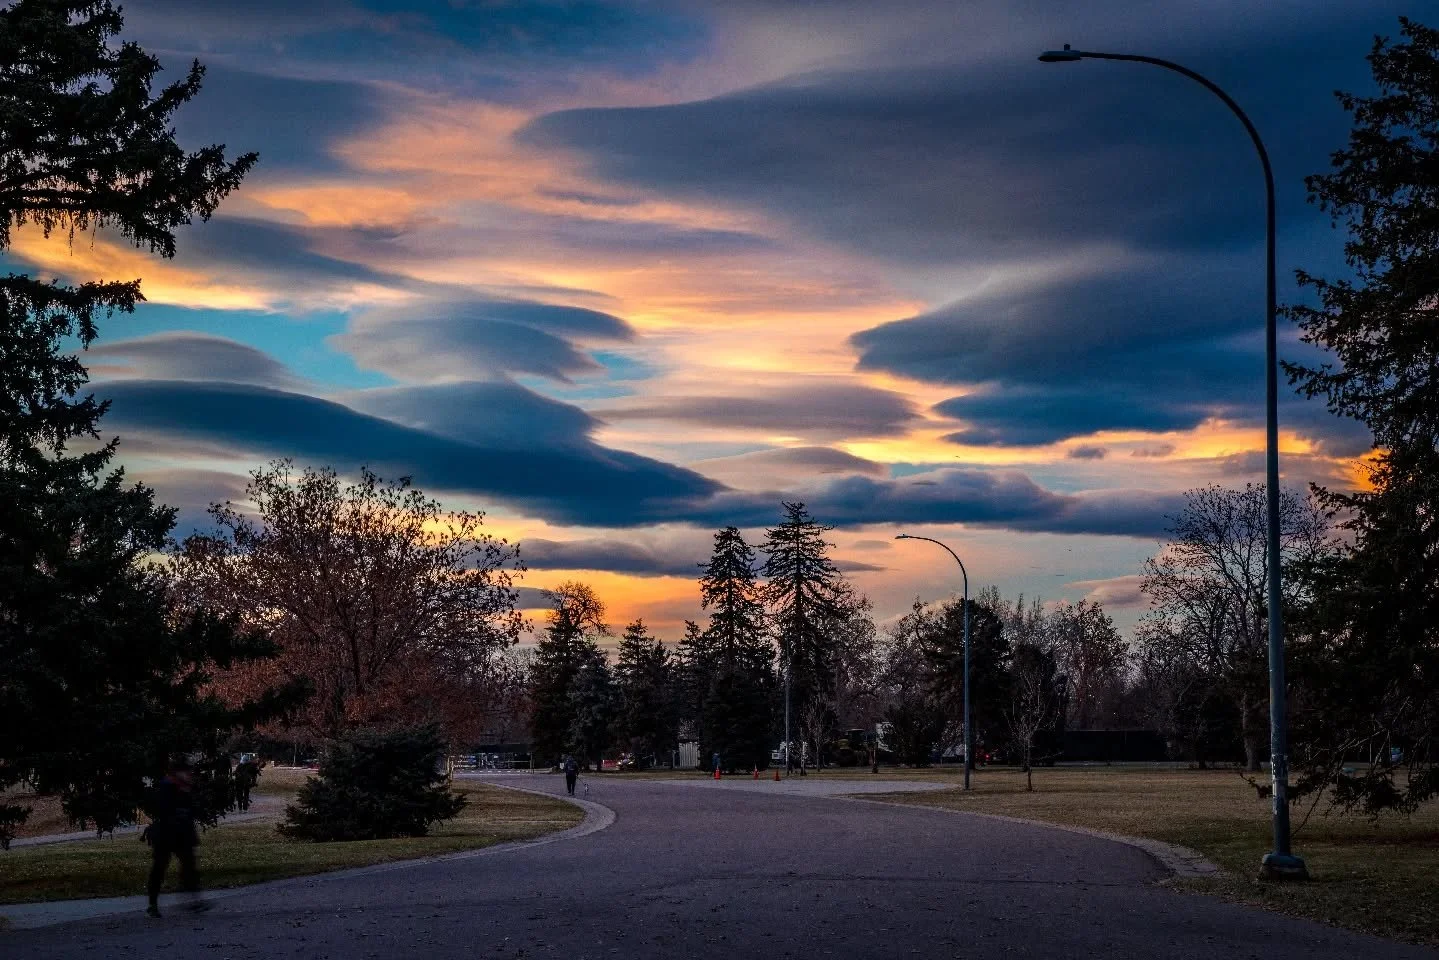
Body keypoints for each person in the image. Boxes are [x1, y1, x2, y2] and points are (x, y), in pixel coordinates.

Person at [144, 758, 206, 918]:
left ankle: (194, 900)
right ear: (177, 772)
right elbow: (163, 810)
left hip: (183, 834)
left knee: (189, 866)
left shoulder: (185, 788)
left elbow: (191, 809)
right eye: (186, 771)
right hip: (166, 834)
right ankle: (152, 904)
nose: (189, 774)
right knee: (159, 867)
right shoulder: (167, 786)